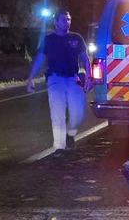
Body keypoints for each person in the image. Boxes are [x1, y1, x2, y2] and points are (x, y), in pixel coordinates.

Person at [27, 10, 92, 151]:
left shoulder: (76, 38)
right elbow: (39, 59)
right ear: (56, 22)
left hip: (73, 78)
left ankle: (71, 133)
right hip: (55, 79)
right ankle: (59, 147)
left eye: (69, 19)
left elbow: (85, 58)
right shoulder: (48, 40)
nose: (67, 22)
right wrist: (31, 78)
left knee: (78, 113)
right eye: (63, 19)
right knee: (57, 113)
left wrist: (89, 76)